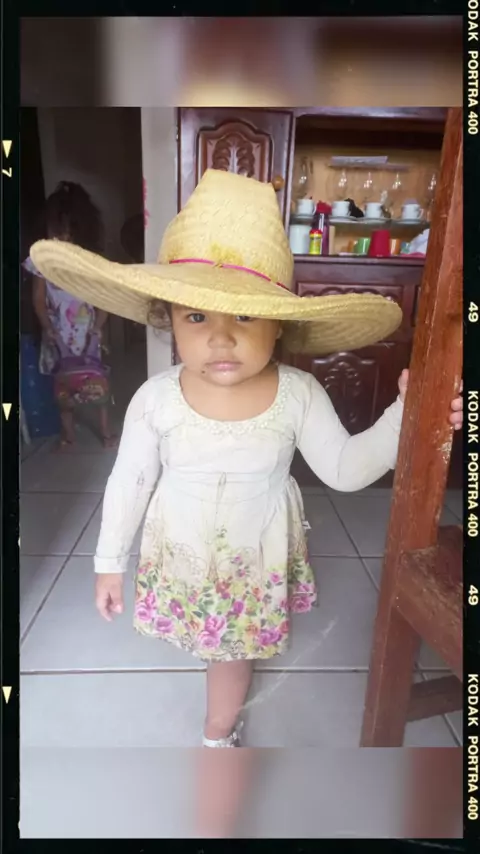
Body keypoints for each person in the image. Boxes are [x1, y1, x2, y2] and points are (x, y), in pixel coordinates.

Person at [29, 169, 463, 748]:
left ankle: (217, 734)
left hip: (250, 566)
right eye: (197, 315)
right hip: (184, 553)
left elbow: (346, 470)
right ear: (168, 318)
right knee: (208, 637)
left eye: (246, 314)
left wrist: (407, 415)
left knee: (231, 652)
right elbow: (129, 480)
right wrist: (109, 561)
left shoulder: (298, 394)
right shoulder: (156, 398)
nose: (221, 338)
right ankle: (217, 667)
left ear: (279, 324)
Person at [23, 181, 117, 450]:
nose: (60, 238)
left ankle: (105, 432)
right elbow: (38, 299)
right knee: (62, 386)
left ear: (80, 231)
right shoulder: (41, 262)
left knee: (95, 381)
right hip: (56, 334)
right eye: (55, 231)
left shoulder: (90, 261)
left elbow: (104, 299)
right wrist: (48, 328)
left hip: (88, 334)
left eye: (67, 232)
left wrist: (98, 328)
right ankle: (68, 433)